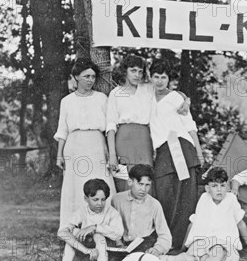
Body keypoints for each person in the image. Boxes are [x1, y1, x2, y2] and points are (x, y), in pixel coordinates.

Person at [160, 168, 247, 261]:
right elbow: (193, 223)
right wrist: (184, 247)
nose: (219, 189)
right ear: (207, 188)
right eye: (214, 186)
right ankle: (169, 260)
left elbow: (240, 224)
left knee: (216, 251)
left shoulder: (231, 199)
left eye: (223, 185)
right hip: (203, 241)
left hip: (223, 242)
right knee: (190, 256)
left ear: (227, 187)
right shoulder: (204, 198)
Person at [149, 60, 205, 250]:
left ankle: (181, 242)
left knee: (185, 197)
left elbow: (190, 127)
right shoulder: (145, 97)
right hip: (163, 151)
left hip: (181, 147)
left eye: (163, 77)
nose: (159, 81)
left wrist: (199, 153)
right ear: (150, 77)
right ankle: (166, 239)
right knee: (164, 193)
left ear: (169, 79)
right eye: (156, 76)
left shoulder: (175, 98)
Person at [54, 58, 116, 228]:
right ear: (76, 77)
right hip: (74, 147)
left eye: (93, 77)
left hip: (96, 145)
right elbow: (62, 130)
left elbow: (110, 125)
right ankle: (74, 227)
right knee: (75, 188)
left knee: (100, 183)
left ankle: (103, 228)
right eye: (86, 76)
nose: (90, 80)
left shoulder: (102, 98)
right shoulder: (66, 101)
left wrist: (111, 153)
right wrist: (59, 155)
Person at [51, 179, 124, 261]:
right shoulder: (82, 212)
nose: (100, 204)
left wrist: (95, 228)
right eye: (95, 200)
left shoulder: (111, 212)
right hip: (87, 250)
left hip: (107, 250)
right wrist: (86, 250)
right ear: (86, 198)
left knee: (98, 236)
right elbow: (62, 232)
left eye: (103, 200)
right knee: (73, 234)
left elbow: (118, 233)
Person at [106, 55, 156, 192]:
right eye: (133, 71)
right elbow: (110, 125)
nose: (137, 75)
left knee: (145, 180)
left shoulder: (148, 90)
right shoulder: (115, 93)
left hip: (144, 141)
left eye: (140, 71)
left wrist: (186, 100)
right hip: (123, 142)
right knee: (124, 182)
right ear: (125, 71)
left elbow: (169, 93)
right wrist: (112, 154)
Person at [111, 164, 172, 256]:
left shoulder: (154, 204)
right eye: (140, 184)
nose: (143, 189)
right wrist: (117, 241)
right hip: (121, 243)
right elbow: (110, 225)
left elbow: (164, 234)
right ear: (130, 182)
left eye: (147, 185)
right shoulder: (117, 199)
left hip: (145, 243)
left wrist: (157, 249)